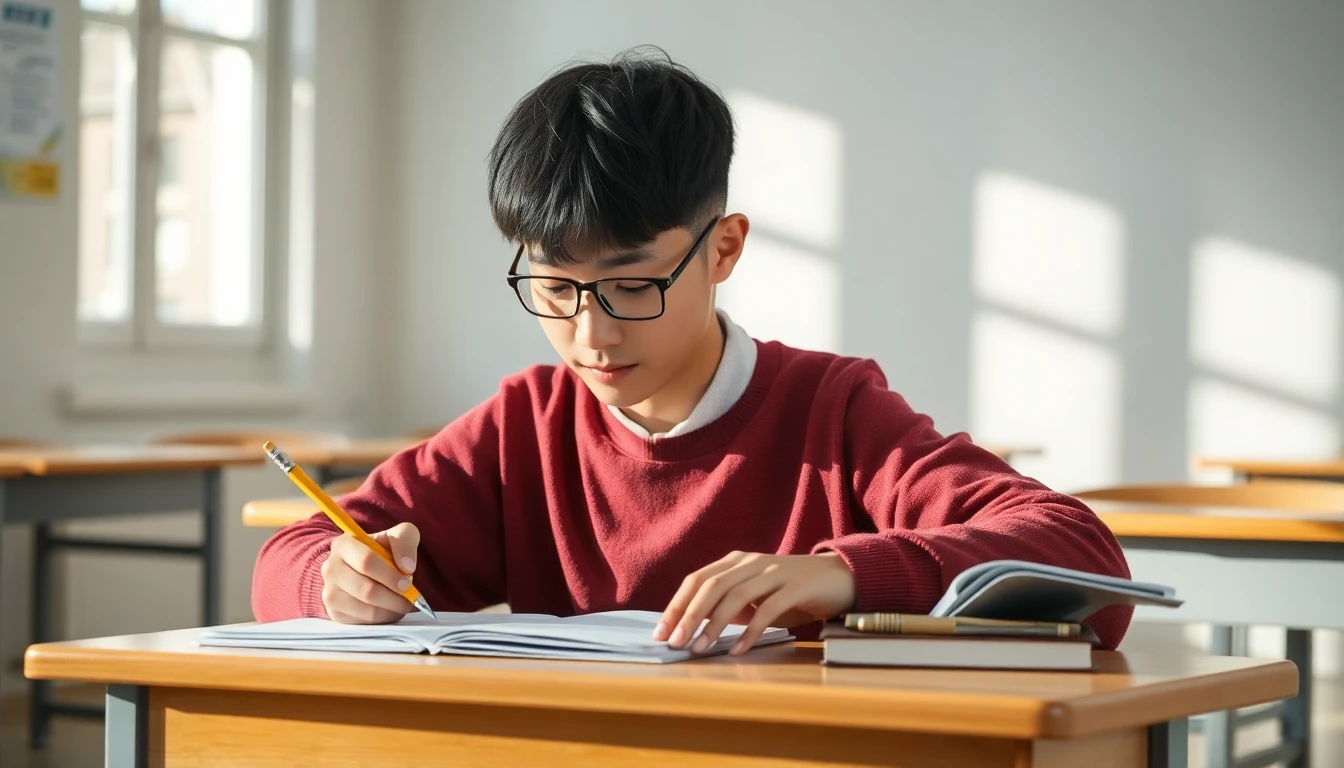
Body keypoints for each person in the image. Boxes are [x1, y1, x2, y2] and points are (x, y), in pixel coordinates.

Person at [252, 48, 1132, 654]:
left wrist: (841, 575)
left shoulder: (833, 412)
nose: (591, 337)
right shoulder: (529, 425)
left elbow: (1081, 555)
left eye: (634, 285)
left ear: (723, 249)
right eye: (555, 289)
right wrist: (334, 582)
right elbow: (288, 556)